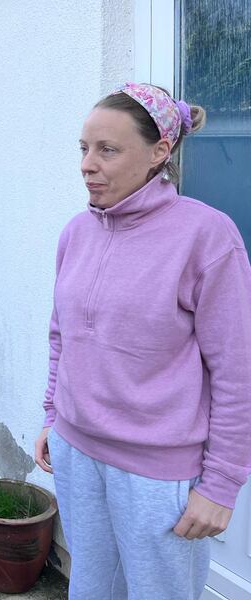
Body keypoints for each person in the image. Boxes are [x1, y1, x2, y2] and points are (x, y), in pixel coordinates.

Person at [34, 83, 251, 599]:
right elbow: (62, 336)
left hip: (159, 477)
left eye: (107, 150)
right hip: (77, 455)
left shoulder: (206, 236)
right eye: (84, 148)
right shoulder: (76, 233)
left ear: (159, 153)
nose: (88, 164)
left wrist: (221, 484)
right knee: (90, 589)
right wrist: (52, 417)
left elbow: (237, 370)